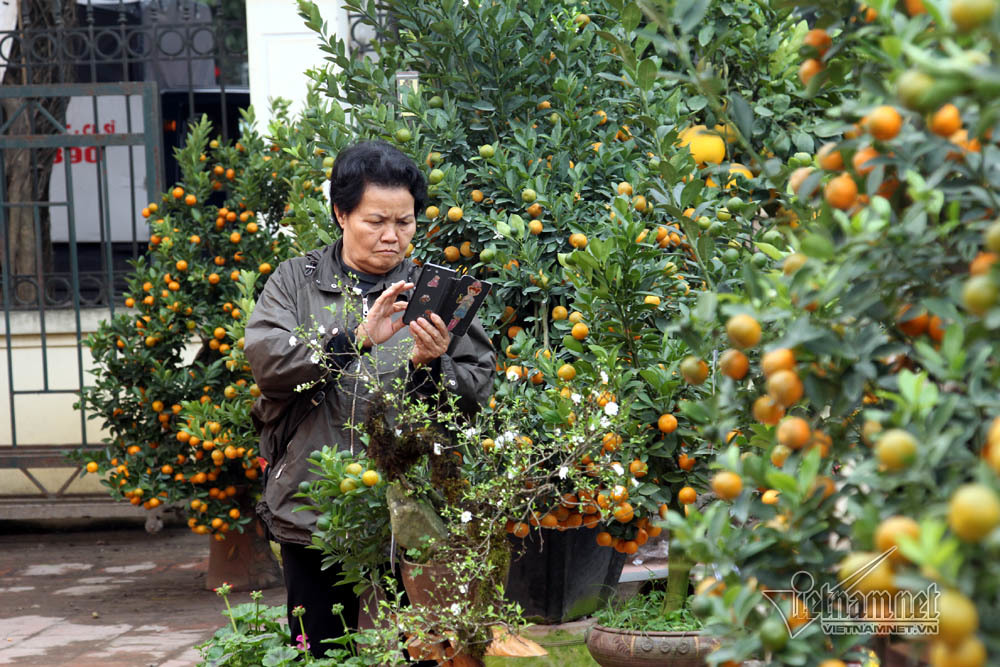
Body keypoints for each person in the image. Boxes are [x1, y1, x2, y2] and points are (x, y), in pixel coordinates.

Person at [244, 140, 496, 658]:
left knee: (425, 648)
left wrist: (435, 367)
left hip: (413, 510)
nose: (391, 236)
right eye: (376, 220)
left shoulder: (435, 292)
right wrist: (355, 339)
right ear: (341, 213)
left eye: (405, 223)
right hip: (317, 504)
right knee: (321, 647)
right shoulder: (297, 281)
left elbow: (477, 389)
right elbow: (269, 366)